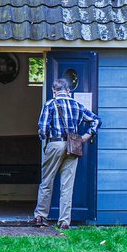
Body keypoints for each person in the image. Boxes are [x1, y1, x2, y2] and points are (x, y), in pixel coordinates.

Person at [33, 76, 101, 231]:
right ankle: (64, 221)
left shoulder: (50, 104)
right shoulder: (77, 105)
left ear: (54, 90)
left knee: (47, 181)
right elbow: (96, 120)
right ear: (68, 90)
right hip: (73, 145)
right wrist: (85, 137)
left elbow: (42, 129)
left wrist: (45, 137)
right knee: (67, 185)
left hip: (55, 143)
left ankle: (41, 216)